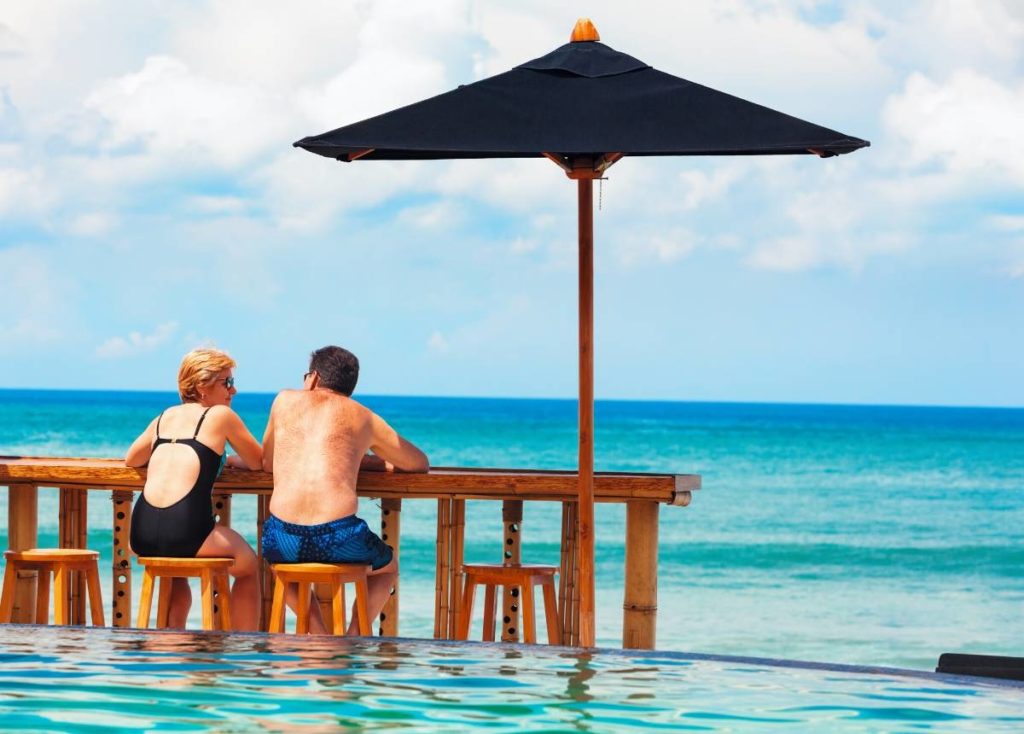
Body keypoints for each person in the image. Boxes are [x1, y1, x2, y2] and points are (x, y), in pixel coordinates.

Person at [261, 345, 429, 634]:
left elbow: (267, 463)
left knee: (279, 567)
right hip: (337, 537)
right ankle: (354, 634)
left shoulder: (283, 401)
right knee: (389, 568)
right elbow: (417, 463)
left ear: (313, 377)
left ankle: (319, 634)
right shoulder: (362, 416)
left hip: (282, 537)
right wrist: (364, 461)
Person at [126, 347, 263, 631]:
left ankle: (173, 639)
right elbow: (258, 461)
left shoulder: (164, 417)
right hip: (185, 532)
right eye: (226, 382)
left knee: (176, 572)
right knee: (249, 566)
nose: (233, 390)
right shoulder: (220, 416)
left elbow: (132, 459)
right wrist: (228, 460)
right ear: (202, 386)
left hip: (140, 532)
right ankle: (241, 640)